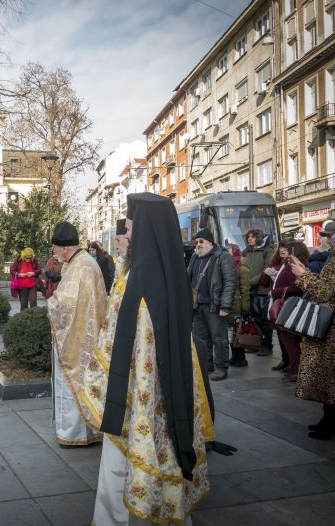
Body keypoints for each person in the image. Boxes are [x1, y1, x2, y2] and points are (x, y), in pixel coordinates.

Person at [75, 193, 214, 526]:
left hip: (138, 393)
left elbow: (118, 339)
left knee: (124, 460)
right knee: (168, 449)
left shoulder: (135, 281)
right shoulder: (171, 274)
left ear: (146, 231)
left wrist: (94, 375)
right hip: (167, 385)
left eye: (130, 229)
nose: (125, 235)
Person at [288, 218, 335, 442]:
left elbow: (324, 291)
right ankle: (329, 420)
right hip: (330, 316)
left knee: (329, 371)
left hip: (334, 319)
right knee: (325, 371)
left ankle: (332, 423)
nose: (333, 237)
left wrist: (303, 274)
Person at [47, 221, 107, 447]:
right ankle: (85, 432)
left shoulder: (80, 267)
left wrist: (51, 304)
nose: (54, 253)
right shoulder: (81, 262)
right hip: (84, 333)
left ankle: (74, 434)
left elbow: (66, 305)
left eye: (55, 248)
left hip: (77, 338)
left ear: (65, 248)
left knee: (73, 383)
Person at [188, 228, 237, 381]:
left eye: (201, 241)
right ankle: (206, 365)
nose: (198, 244)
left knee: (219, 338)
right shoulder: (195, 257)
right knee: (201, 338)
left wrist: (225, 306)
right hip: (197, 306)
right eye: (196, 242)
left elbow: (230, 282)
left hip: (214, 306)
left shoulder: (222, 257)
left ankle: (221, 367)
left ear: (210, 242)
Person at [270, 241, 309, 382]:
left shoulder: (294, 266)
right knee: (289, 338)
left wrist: (274, 292)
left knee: (288, 337)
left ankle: (296, 371)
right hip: (291, 306)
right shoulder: (290, 265)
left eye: (288, 250)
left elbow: (296, 287)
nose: (285, 252)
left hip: (290, 306)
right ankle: (294, 369)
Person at [262, 240, 294, 367]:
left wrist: (275, 283)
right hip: (276, 301)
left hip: (286, 302)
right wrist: (266, 274)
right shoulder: (275, 263)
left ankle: (290, 363)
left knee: (287, 334)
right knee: (279, 332)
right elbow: (264, 282)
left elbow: (293, 286)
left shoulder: (291, 264)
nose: (282, 249)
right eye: (281, 247)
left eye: (285, 247)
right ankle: (285, 360)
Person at [243, 228, 274, 354]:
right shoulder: (246, 251)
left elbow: (266, 270)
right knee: (252, 319)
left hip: (262, 290)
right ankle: (255, 343)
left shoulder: (267, 251)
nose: (250, 239)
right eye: (248, 237)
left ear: (259, 238)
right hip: (248, 290)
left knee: (263, 320)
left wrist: (251, 282)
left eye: (253, 237)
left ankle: (267, 346)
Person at [226, 243, 251, 368]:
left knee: (238, 332)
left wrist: (245, 308)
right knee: (231, 333)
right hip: (230, 305)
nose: (227, 253)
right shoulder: (229, 265)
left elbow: (245, 290)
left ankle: (241, 358)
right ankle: (235, 357)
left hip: (238, 306)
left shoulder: (242, 267)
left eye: (229, 251)